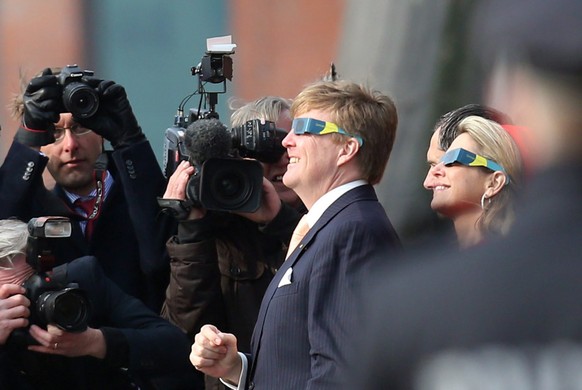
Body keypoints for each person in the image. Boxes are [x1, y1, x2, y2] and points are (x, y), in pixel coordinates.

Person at [349, 0, 582, 388]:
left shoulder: (411, 304)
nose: (432, 177)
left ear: (511, 96)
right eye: (429, 165)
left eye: (453, 159)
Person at [190, 79, 401, 389]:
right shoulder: (334, 226)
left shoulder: (352, 232)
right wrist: (237, 368)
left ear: (347, 148)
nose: (286, 143)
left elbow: (340, 375)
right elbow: (299, 365)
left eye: (303, 130)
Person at [160, 96, 305, 389]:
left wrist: (279, 221)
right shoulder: (216, 229)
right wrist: (191, 230)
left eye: (291, 144)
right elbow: (182, 330)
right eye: (269, 148)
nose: (283, 158)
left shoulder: (320, 217)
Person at [0, 67, 171, 311]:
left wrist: (130, 139)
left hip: (143, 340)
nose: (70, 144)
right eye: (55, 133)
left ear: (101, 131)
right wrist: (28, 138)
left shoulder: (140, 195)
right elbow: (2, 226)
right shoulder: (31, 211)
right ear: (41, 146)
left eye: (80, 127)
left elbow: (160, 258)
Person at [0, 218, 202, 389]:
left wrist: (97, 342)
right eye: (8, 298)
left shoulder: (80, 282)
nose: (24, 302)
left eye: (29, 286)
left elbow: (175, 345)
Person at [423, 115, 523, 248]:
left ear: (494, 183)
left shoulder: (509, 256)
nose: (435, 172)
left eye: (453, 160)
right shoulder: (437, 258)